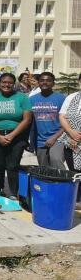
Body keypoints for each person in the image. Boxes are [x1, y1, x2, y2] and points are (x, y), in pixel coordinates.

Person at [0, 73, 32, 198]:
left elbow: (26, 119)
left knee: (12, 165)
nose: (7, 85)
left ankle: (13, 193)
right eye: (4, 82)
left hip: (17, 136)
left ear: (14, 84)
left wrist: (11, 135)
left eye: (10, 82)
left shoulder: (22, 97)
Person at [30, 72, 65, 169]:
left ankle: (62, 183)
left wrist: (54, 137)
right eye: (42, 80)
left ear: (53, 83)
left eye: (48, 80)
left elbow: (67, 122)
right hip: (40, 140)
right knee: (43, 168)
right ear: (38, 83)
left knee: (56, 160)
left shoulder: (62, 98)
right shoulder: (32, 99)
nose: (45, 83)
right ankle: (48, 184)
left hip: (59, 137)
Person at [59, 73, 81, 204]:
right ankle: (76, 199)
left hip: (76, 139)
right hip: (71, 141)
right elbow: (62, 116)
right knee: (74, 171)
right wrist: (72, 133)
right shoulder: (71, 97)